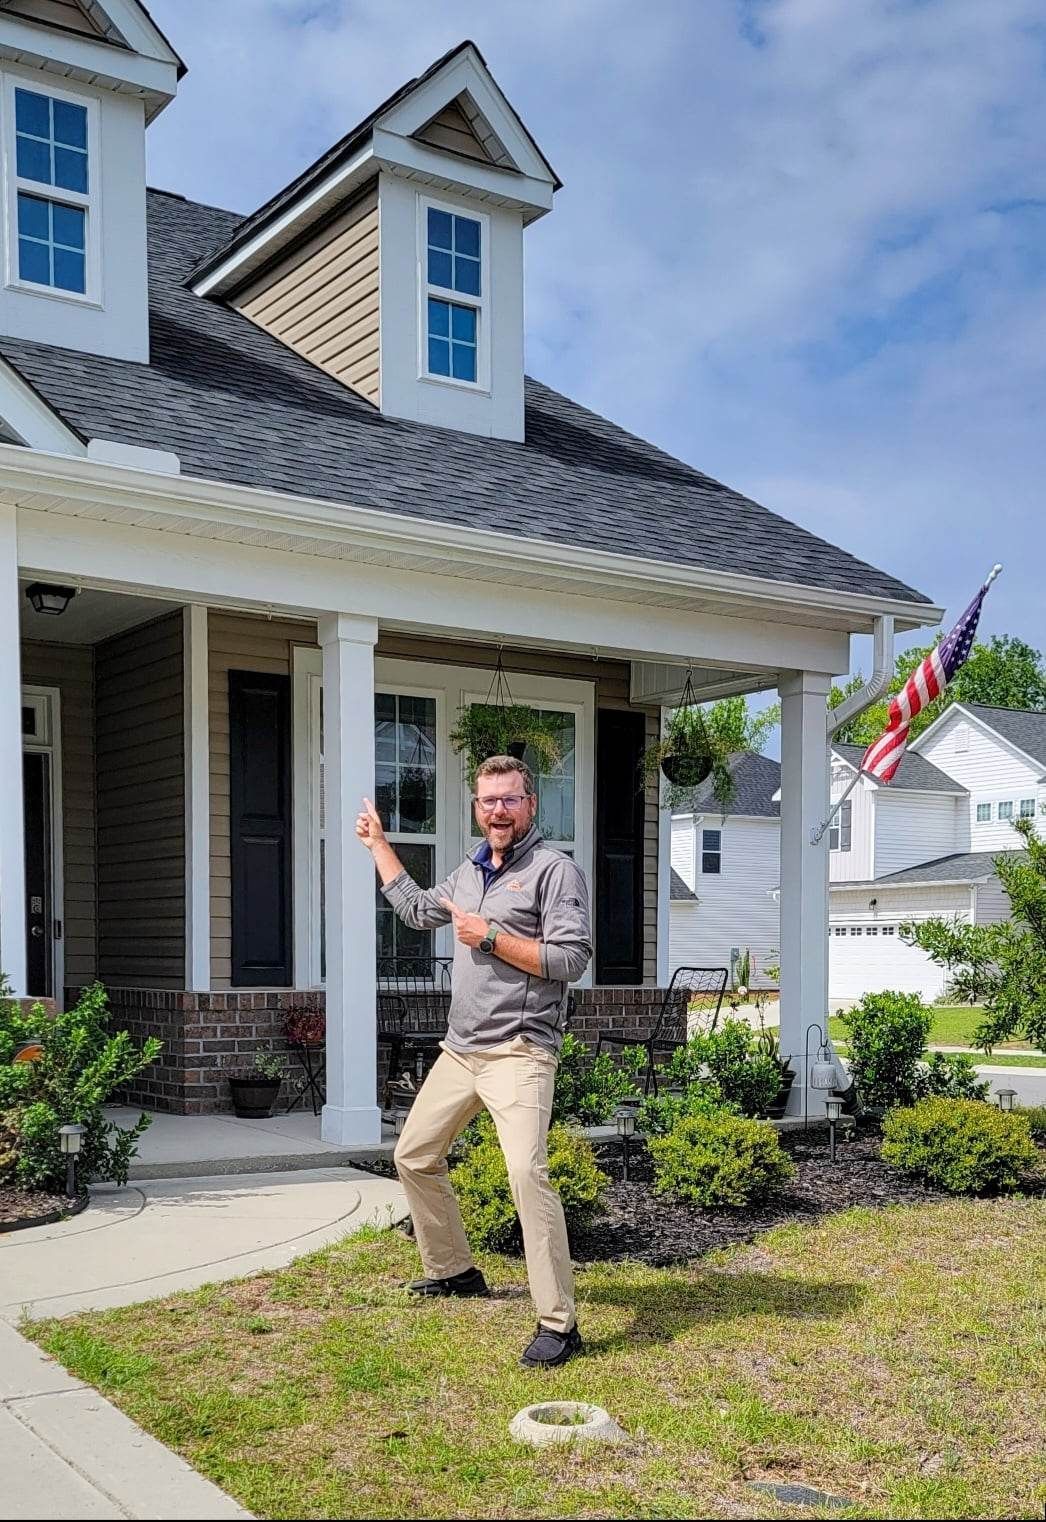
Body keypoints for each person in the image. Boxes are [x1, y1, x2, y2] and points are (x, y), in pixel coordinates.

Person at [356, 754, 592, 1369]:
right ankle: (454, 1270)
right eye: (488, 801)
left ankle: (558, 1322)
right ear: (476, 808)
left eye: (510, 800)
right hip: (461, 1049)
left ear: (530, 804)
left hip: (520, 1049)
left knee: (526, 1175)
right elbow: (414, 911)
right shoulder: (468, 870)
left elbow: (570, 961)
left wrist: (490, 937)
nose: (498, 811)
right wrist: (379, 844)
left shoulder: (554, 872)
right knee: (414, 1156)